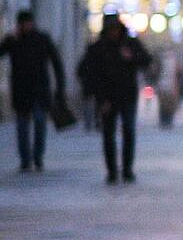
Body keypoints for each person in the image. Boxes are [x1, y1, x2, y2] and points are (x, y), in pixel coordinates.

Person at [77, 15, 152, 184]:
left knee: (128, 131)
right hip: (106, 98)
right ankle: (112, 171)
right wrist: (96, 95)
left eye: (116, 29)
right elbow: (85, 71)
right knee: (108, 134)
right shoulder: (97, 48)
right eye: (111, 30)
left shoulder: (130, 43)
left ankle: (127, 169)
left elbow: (147, 60)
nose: (114, 33)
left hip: (127, 96)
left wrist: (131, 58)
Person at [0, 10, 66, 172]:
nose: (26, 26)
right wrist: (8, 40)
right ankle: (25, 159)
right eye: (23, 24)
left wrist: (60, 88)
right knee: (22, 127)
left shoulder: (42, 39)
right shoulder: (13, 41)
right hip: (21, 91)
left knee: (39, 122)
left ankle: (37, 157)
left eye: (28, 23)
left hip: (39, 91)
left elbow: (56, 63)